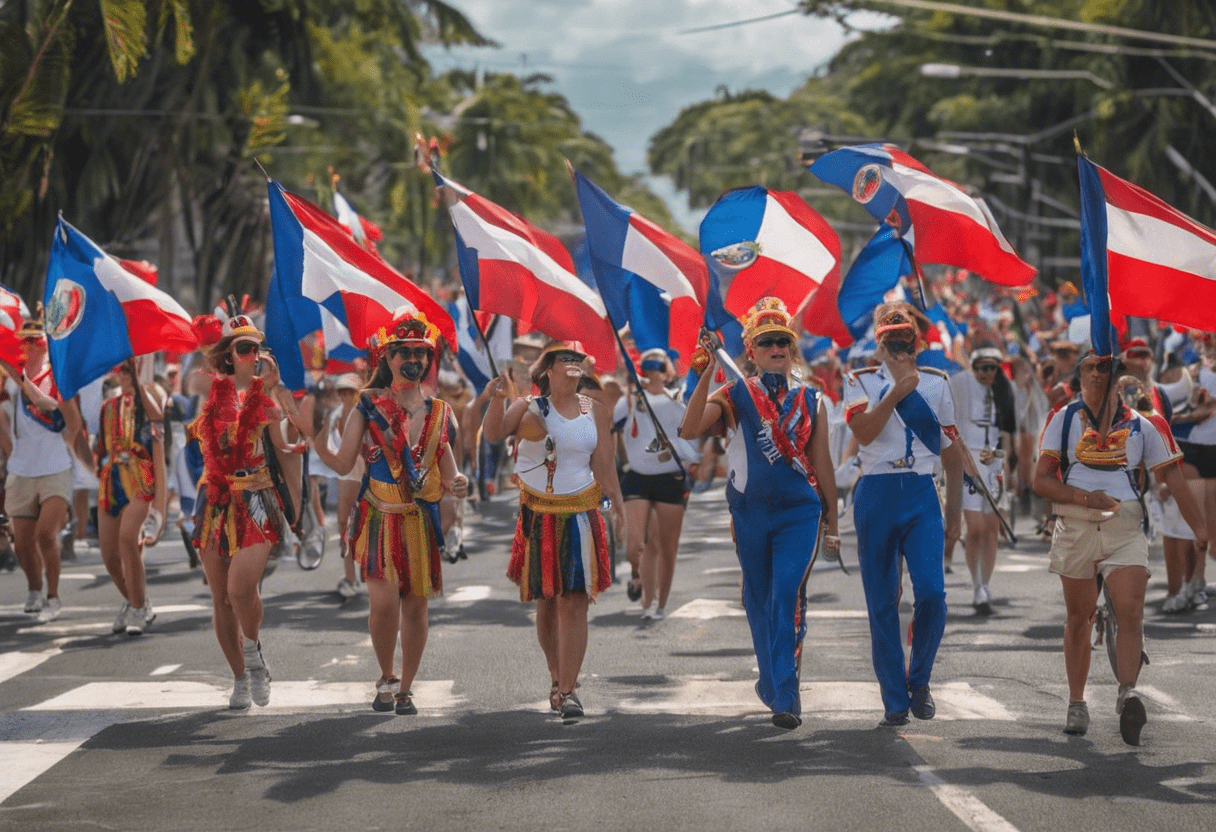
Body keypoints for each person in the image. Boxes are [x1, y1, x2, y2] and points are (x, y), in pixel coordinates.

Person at [680, 298, 839, 730]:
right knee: (758, 601)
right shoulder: (736, 393)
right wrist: (708, 371)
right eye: (768, 342)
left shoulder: (812, 399)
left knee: (786, 595)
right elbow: (689, 429)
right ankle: (771, 681)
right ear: (751, 350)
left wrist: (835, 521)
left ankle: (787, 696)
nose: (777, 349)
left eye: (784, 342)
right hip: (750, 513)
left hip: (799, 513)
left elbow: (821, 462)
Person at [1034, 351, 1207, 745]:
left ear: (1119, 378)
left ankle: (1128, 691)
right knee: (1080, 617)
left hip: (1125, 524)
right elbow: (1041, 481)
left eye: (1106, 368)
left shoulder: (1145, 426)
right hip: (1077, 523)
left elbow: (1174, 480)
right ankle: (1077, 702)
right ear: (1079, 376)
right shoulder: (1062, 420)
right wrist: (1083, 498)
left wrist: (1200, 528)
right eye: (1090, 368)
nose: (1097, 374)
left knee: (1130, 609)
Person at [313, 308, 467, 715]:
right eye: (403, 352)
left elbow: (449, 470)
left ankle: (407, 688)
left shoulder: (440, 413)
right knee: (383, 603)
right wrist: (312, 440)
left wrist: (458, 485)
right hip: (379, 517)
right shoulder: (367, 408)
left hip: (418, 521)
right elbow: (345, 465)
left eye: (420, 352)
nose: (412, 360)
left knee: (416, 606)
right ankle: (386, 674)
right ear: (388, 357)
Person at [483, 340, 625, 722]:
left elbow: (606, 466)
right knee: (547, 604)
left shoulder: (594, 410)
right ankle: (555, 674)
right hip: (539, 516)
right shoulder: (529, 407)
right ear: (548, 370)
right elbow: (494, 434)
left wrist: (617, 509)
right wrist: (497, 397)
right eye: (566, 359)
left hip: (582, 514)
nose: (575, 364)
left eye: (579, 358)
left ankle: (570, 689)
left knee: (574, 601)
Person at [842, 302, 963, 727]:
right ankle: (894, 698)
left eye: (904, 338)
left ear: (918, 342)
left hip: (918, 490)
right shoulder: (857, 381)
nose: (897, 345)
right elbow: (863, 432)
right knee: (882, 602)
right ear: (877, 344)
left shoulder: (937, 383)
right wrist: (896, 390)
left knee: (931, 593)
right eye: (889, 338)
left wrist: (954, 513)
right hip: (876, 491)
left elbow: (950, 453)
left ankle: (920, 679)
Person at [193, 315, 294, 710]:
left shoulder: (269, 397)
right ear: (228, 355)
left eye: (256, 348)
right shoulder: (209, 390)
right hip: (216, 498)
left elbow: (293, 439)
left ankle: (253, 656)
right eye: (242, 348)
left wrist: (277, 386)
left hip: (257, 496)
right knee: (220, 599)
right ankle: (239, 676)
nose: (251, 355)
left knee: (240, 589)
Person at [0, 318, 86, 623]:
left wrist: (66, 447)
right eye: (24, 341)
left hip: (55, 468)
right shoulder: (8, 380)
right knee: (21, 543)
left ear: (43, 344)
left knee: (46, 534)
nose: (28, 346)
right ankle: (34, 590)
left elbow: (73, 422)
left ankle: (53, 595)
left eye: (33, 341)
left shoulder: (55, 377)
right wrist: (11, 451)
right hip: (21, 469)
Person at [614, 348, 699, 619]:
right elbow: (611, 430)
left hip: (670, 478)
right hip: (637, 476)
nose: (654, 371)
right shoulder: (629, 399)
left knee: (666, 545)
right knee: (636, 544)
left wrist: (671, 448)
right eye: (648, 364)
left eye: (660, 366)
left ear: (668, 372)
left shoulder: (678, 401)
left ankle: (657, 604)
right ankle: (638, 580)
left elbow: (691, 439)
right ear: (641, 369)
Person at [96, 359, 167, 635]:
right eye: (121, 370)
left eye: (129, 370)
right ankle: (136, 601)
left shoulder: (151, 398)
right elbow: (100, 447)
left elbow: (157, 420)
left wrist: (159, 511)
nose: (123, 375)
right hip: (111, 479)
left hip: (140, 479)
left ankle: (137, 608)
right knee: (109, 556)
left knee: (128, 538)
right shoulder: (107, 407)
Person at [949, 346, 1015, 614]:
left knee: (991, 527)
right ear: (973, 368)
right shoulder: (961, 387)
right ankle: (975, 582)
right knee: (974, 526)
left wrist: (1008, 464)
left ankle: (984, 586)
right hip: (970, 460)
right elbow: (952, 429)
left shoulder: (1004, 390)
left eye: (992, 367)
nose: (987, 373)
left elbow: (1009, 431)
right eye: (982, 368)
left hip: (995, 461)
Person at [324, 372, 366, 598]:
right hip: (346, 469)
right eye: (342, 391)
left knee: (369, 522)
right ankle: (351, 576)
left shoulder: (366, 413)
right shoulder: (335, 416)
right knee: (344, 522)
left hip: (368, 469)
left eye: (350, 391)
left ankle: (371, 572)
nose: (345, 395)